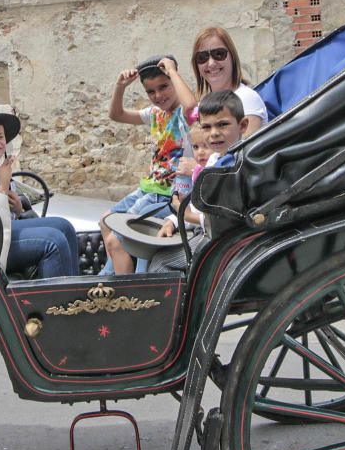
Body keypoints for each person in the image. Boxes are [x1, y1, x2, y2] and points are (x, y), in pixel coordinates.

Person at [0, 109, 79, 279]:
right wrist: (3, 184)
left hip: (8, 232)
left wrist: (19, 210)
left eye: (0, 136)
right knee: (54, 240)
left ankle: (76, 292)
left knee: (65, 226)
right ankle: (56, 302)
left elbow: (13, 216)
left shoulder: (1, 170)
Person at [100, 54, 195, 275]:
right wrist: (120, 86)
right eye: (151, 91)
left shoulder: (184, 115)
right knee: (105, 220)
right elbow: (116, 115)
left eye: (164, 87)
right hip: (149, 189)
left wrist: (172, 71)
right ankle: (118, 268)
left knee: (117, 240)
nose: (158, 95)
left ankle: (125, 290)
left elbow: (191, 106)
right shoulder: (156, 113)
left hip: (167, 194)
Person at [150, 90, 248, 272]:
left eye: (223, 125)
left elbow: (224, 219)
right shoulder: (215, 160)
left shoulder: (234, 166)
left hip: (225, 240)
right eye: (207, 127)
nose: (214, 133)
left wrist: (185, 216)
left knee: (161, 263)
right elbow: (198, 207)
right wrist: (173, 219)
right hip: (206, 232)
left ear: (243, 125)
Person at [174, 26, 268, 135]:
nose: (211, 63)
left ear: (232, 57)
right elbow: (188, 113)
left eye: (219, 54)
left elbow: (244, 150)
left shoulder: (246, 99)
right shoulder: (203, 105)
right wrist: (171, 71)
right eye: (202, 57)